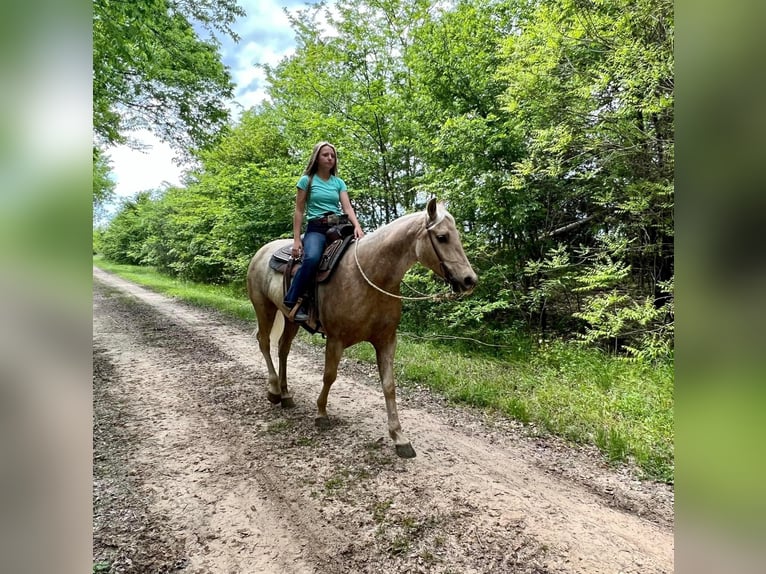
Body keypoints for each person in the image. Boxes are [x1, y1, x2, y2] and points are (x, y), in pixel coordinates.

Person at [283, 141, 365, 322]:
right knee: (312, 258)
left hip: (338, 227)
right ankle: (294, 300)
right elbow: (298, 210)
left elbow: (347, 208)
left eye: (332, 156)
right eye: (325, 155)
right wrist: (297, 240)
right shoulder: (307, 180)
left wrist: (358, 226)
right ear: (316, 158)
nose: (330, 158)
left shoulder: (339, 182)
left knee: (359, 256)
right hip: (317, 228)